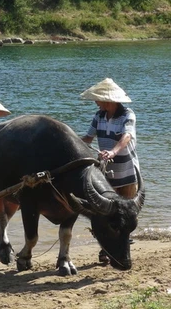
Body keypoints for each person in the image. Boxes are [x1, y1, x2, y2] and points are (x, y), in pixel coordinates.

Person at [80, 78, 140, 263]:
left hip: (127, 169)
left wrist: (113, 151)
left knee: (127, 212)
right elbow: (89, 138)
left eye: (98, 99)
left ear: (109, 100)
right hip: (106, 172)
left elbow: (127, 136)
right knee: (107, 214)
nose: (96, 102)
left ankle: (123, 246)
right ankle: (106, 249)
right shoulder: (98, 116)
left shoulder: (127, 115)